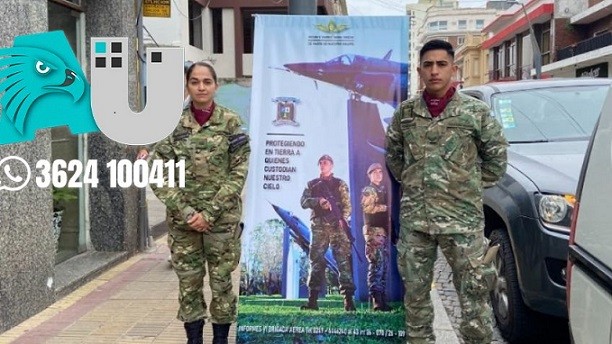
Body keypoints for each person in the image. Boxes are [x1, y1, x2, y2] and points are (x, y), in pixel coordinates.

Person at [385, 39, 508, 344]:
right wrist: (418, 186)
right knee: (415, 300)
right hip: (417, 223)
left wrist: (463, 186)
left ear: (454, 68)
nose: (434, 71)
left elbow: (497, 159)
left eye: (441, 64)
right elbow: (394, 157)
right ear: (419, 70)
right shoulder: (406, 114)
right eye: (428, 65)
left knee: (474, 299)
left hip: (462, 223)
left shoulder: (474, 112)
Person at [150, 61, 250, 344]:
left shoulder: (232, 123)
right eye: (195, 81)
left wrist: (210, 212)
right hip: (184, 225)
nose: (201, 87)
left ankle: (220, 340)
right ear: (187, 86)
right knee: (189, 286)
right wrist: (188, 212)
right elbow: (157, 173)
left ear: (215, 85)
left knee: (221, 285)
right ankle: (193, 340)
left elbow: (238, 173)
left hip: (222, 223)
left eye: (207, 81)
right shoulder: (172, 126)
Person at [300, 154, 356, 311]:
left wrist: (342, 219)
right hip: (318, 227)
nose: (323, 165)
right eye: (321, 163)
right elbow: (303, 202)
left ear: (332, 165)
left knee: (343, 262)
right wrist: (318, 201)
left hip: (337, 227)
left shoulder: (340, 184)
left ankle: (348, 301)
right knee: (315, 262)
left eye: (326, 163)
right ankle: (312, 301)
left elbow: (347, 205)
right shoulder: (311, 184)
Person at [360, 162, 391, 312]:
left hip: (382, 232)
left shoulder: (381, 190)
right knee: (376, 265)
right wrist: (385, 207)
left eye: (380, 172)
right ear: (370, 175)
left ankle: (382, 301)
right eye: (375, 172)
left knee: (383, 266)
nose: (379, 174)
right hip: (373, 232)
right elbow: (367, 207)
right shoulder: (369, 190)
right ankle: (376, 302)